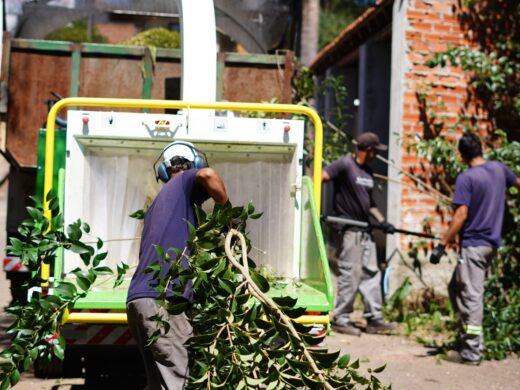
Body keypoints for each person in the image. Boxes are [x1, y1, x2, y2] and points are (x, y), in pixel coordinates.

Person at [126, 141, 229, 389]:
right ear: (194, 163)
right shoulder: (184, 181)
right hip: (162, 301)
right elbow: (208, 175)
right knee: (178, 383)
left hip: (138, 300)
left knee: (158, 384)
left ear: (162, 170)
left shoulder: (159, 204)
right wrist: (227, 211)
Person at [430, 132, 520, 365]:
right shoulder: (499, 169)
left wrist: (441, 244)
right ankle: (469, 338)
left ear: (461, 155)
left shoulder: (467, 178)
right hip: (490, 244)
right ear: (481, 148)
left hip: (474, 245)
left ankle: (471, 351)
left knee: (471, 296)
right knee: (455, 288)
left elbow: (461, 215)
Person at [322, 132, 397, 336]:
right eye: (375, 151)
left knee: (372, 273)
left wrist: (383, 222)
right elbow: (321, 177)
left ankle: (374, 318)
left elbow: (369, 203)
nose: (376, 155)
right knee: (350, 274)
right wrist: (313, 204)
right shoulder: (345, 165)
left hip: (365, 229)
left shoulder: (367, 172)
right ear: (369, 150)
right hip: (348, 229)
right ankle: (341, 318)